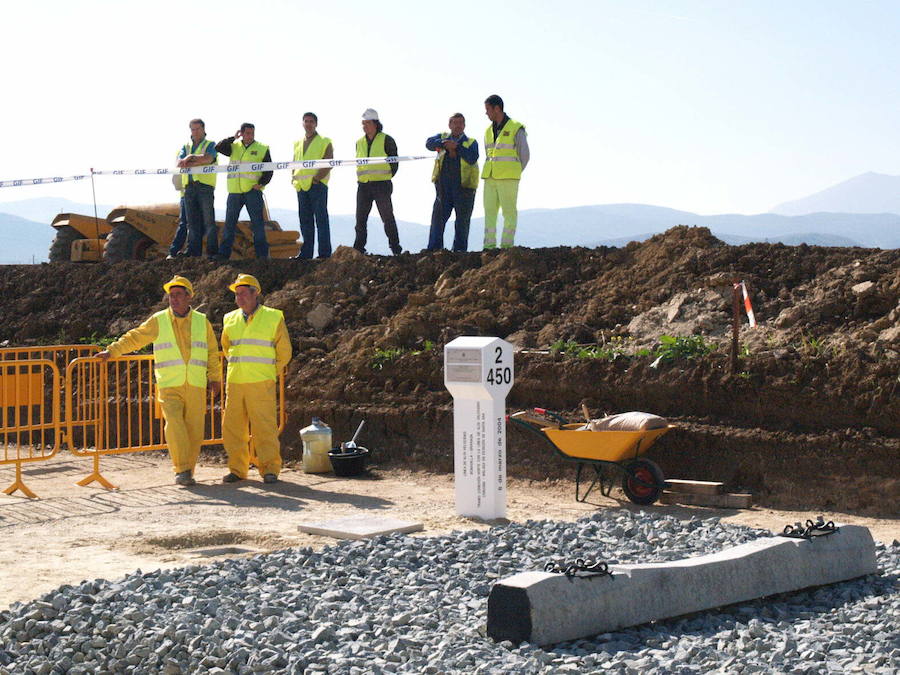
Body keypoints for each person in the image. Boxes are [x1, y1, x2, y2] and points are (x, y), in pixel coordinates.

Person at [96, 276, 222, 486]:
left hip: (196, 384)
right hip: (169, 384)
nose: (173, 299)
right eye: (171, 295)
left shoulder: (202, 321)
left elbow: (211, 351)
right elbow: (135, 337)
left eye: (178, 295)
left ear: (189, 297)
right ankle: (182, 469)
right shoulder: (159, 320)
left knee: (194, 430)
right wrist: (112, 351)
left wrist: (215, 378)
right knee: (174, 426)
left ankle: (188, 470)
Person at [220, 274, 292, 484]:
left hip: (261, 383)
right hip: (235, 382)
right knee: (233, 428)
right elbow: (226, 347)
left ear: (255, 293)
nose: (239, 298)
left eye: (243, 293)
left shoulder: (273, 317)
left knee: (264, 427)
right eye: (236, 294)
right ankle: (237, 469)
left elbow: (284, 351)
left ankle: (270, 469)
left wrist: (269, 371)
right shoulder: (229, 318)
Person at [215, 123, 273, 260]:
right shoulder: (234, 147)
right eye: (247, 133)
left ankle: (262, 256)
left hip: (252, 191)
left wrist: (261, 183)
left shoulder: (262, 148)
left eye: (252, 133)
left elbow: (269, 168)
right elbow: (218, 147)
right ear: (241, 133)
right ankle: (223, 255)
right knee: (229, 224)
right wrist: (232, 137)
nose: (250, 136)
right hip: (234, 192)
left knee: (258, 224)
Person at [425, 113, 479, 252]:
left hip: (464, 188)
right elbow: (428, 143)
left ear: (464, 125)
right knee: (438, 220)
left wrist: (456, 148)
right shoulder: (442, 137)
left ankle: (459, 252)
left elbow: (472, 157)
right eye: (455, 123)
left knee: (462, 222)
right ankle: (434, 250)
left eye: (461, 123)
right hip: (443, 188)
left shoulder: (471, 142)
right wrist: (444, 144)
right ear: (449, 125)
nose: (458, 125)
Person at [482, 95, 529, 249]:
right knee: (489, 212)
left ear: (497, 108)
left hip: (508, 178)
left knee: (509, 213)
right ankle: (489, 247)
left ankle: (506, 247)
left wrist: (514, 171)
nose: (486, 113)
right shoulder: (488, 131)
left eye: (488, 109)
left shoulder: (516, 128)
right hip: (490, 178)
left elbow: (525, 155)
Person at [354, 108, 403, 255]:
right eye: (363, 123)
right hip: (363, 185)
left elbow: (394, 162)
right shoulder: (359, 142)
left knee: (387, 218)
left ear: (375, 123)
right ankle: (358, 248)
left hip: (381, 185)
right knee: (360, 219)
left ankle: (395, 248)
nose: (364, 126)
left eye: (367, 123)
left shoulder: (386, 140)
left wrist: (386, 176)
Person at [292, 112, 334, 259]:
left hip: (317, 186)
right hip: (301, 188)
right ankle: (306, 253)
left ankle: (324, 254)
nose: (308, 124)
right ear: (302, 123)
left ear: (316, 124)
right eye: (306, 121)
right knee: (305, 222)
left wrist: (316, 179)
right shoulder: (297, 143)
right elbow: (294, 162)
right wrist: (293, 179)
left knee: (321, 220)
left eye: (311, 121)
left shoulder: (324, 141)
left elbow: (329, 162)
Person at [176, 119, 219, 258]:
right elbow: (179, 163)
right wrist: (194, 160)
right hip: (189, 188)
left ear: (203, 129)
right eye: (193, 129)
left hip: (205, 187)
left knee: (209, 222)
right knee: (192, 223)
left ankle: (212, 253)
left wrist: (190, 158)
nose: (195, 132)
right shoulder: (185, 146)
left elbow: (208, 158)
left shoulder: (210, 144)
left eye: (197, 129)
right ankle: (193, 253)